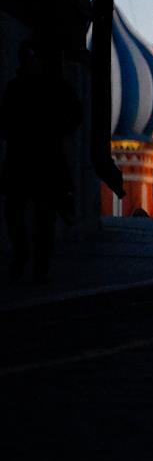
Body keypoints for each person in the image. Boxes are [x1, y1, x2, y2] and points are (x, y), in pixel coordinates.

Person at [0, 41, 82, 282]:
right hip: (24, 160)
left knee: (42, 216)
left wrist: (54, 131)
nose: (30, 62)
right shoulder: (18, 87)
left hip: (44, 161)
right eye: (28, 58)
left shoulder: (55, 87)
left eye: (34, 58)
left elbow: (75, 115)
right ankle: (23, 256)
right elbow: (4, 118)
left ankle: (38, 265)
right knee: (15, 213)